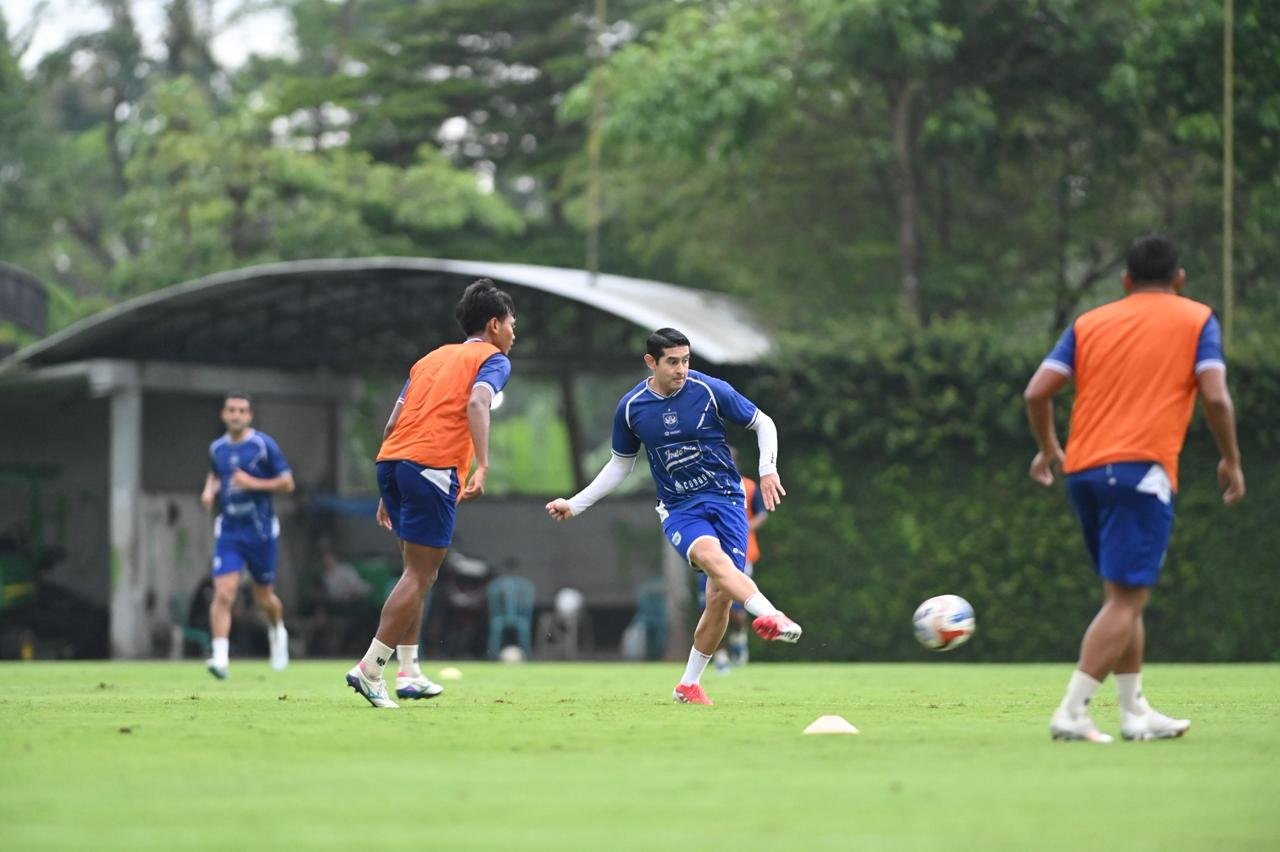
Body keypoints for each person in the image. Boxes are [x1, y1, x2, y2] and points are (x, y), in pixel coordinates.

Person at [1023, 234, 1245, 743]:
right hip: (1140, 470)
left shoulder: (1090, 322)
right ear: (1180, 279)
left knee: (1120, 597)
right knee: (1127, 600)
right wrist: (1231, 458)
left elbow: (1037, 391)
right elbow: (1216, 396)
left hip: (1083, 470)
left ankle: (1134, 712)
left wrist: (1049, 447)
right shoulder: (1196, 318)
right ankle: (1073, 711)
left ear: (1124, 281)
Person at [546, 328, 801, 706]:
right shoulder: (632, 408)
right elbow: (620, 466)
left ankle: (689, 684)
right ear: (651, 362)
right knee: (713, 561)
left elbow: (763, 423)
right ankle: (771, 614)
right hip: (680, 508)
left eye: (686, 360)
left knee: (719, 596)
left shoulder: (710, 390)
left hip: (727, 500)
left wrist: (768, 469)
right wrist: (576, 503)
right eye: (672, 362)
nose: (682, 369)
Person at [346, 278, 516, 709]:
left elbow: (391, 423)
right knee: (421, 575)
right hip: (431, 467)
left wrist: (392, 488)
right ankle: (370, 668)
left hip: (393, 461)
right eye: (513, 324)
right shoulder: (492, 358)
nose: (514, 333)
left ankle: (410, 671)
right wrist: (484, 465)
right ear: (495, 324)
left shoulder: (432, 358)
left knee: (415, 572)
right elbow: (478, 404)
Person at [200, 393, 296, 679]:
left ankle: (277, 631)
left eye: (242, 410)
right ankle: (220, 658)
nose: (236, 415)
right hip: (230, 530)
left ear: (249, 415)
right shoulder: (216, 448)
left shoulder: (263, 445)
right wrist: (209, 490)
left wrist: (253, 483)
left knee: (263, 597)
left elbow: (287, 482)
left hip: (261, 531)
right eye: (231, 410)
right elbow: (217, 474)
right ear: (223, 414)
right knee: (224, 592)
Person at [703, 447, 768, 673]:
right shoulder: (703, 485)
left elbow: (761, 513)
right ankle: (720, 658)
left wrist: (745, 528)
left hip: (742, 553)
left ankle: (739, 637)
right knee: (711, 606)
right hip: (709, 555)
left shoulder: (748, 486)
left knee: (736, 611)